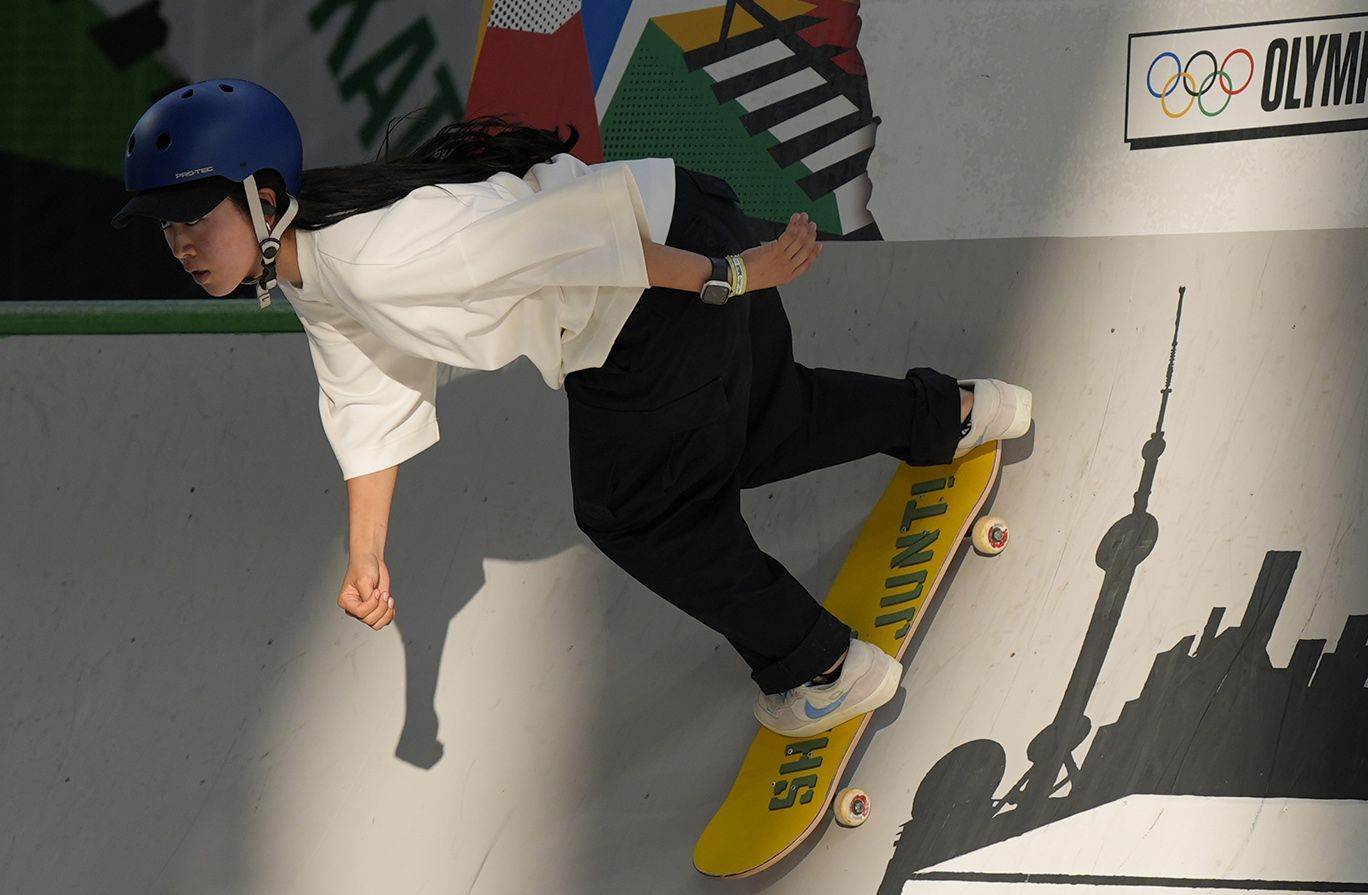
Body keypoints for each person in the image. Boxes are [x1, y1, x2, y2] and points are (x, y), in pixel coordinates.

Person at [111, 79, 1033, 738]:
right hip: (678, 226)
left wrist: (730, 279)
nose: (183, 244)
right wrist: (366, 556)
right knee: (768, 419)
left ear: (261, 196)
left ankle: (825, 669)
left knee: (637, 510)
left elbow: (568, 240)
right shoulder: (323, 265)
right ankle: (952, 413)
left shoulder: (383, 254)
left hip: (653, 279)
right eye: (168, 226)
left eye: (198, 217)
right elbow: (367, 396)